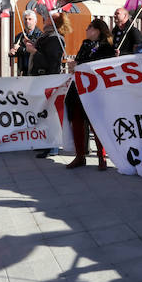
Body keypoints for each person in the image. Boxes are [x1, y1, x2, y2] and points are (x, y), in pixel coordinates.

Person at [64, 18, 117, 170]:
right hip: (78, 89)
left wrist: (79, 65)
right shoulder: (85, 44)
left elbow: (98, 66)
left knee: (96, 124)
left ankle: (102, 157)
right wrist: (74, 65)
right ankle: (80, 155)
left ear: (97, 30)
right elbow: (81, 61)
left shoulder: (107, 47)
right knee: (77, 122)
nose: (86, 30)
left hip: (95, 91)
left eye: (89, 27)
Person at [26, 12, 69, 159]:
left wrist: (34, 51)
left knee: (49, 113)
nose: (44, 18)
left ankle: (52, 146)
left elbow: (52, 62)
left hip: (48, 80)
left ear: (53, 22)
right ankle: (44, 143)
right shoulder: (46, 36)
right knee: (42, 112)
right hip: (41, 79)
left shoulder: (55, 38)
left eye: (49, 17)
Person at [9, 9, 42, 76]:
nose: (27, 21)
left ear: (35, 21)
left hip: (36, 71)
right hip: (23, 72)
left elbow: (37, 52)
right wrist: (12, 53)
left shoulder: (40, 36)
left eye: (30, 19)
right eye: (25, 19)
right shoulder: (19, 36)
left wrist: (21, 49)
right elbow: (17, 52)